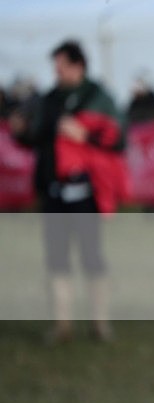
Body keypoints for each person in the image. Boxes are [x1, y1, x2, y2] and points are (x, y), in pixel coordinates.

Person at [9, 40, 128, 342]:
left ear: (78, 65)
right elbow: (37, 138)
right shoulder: (49, 99)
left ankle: (100, 323)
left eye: (61, 66)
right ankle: (62, 324)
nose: (56, 72)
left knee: (92, 257)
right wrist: (21, 131)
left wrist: (84, 134)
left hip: (86, 192)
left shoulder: (98, 97)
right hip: (53, 191)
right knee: (56, 258)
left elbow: (117, 139)